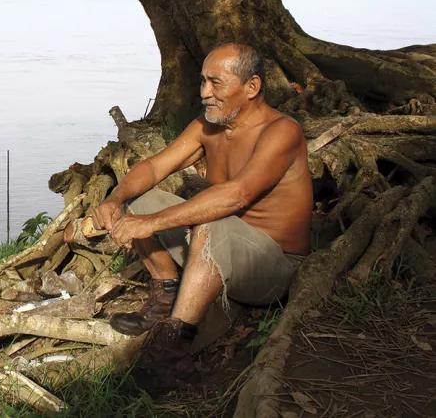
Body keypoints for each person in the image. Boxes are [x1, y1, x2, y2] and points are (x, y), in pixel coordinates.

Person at [92, 43, 312, 360]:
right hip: (215, 248)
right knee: (139, 196)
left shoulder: (282, 131)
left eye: (216, 82)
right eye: (202, 81)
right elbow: (155, 167)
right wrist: (116, 198)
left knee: (209, 220)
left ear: (252, 86)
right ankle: (165, 299)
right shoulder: (206, 127)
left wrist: (152, 223)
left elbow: (238, 194)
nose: (205, 93)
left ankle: (174, 343)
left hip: (273, 267)